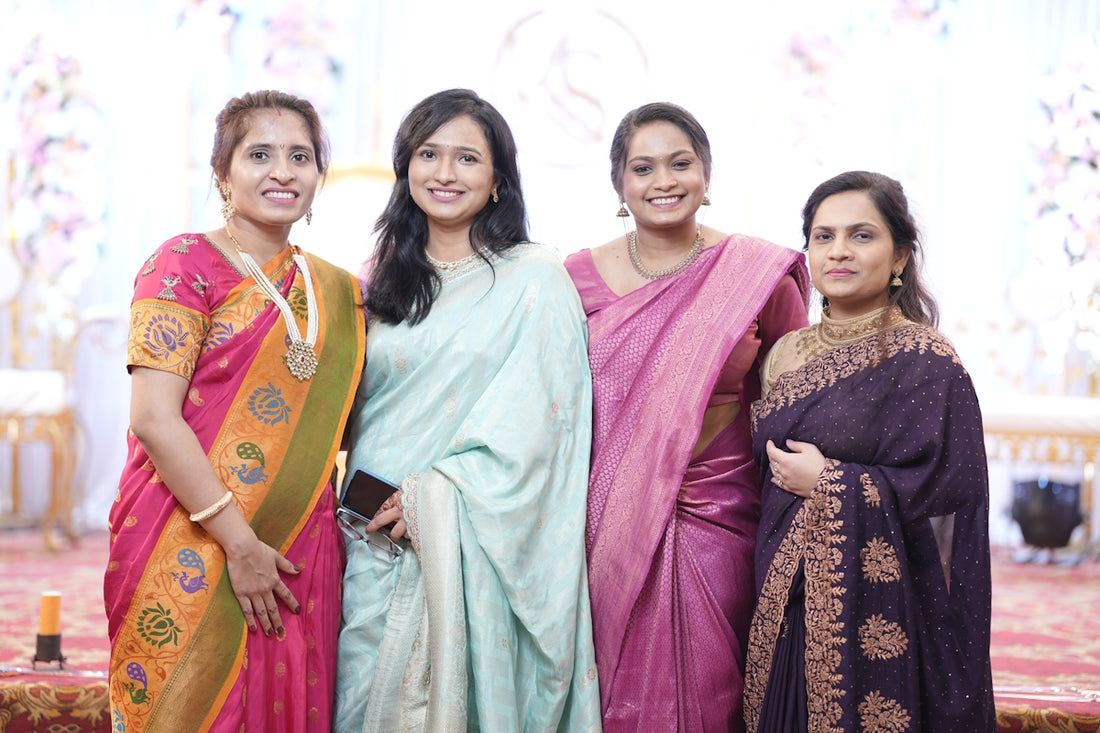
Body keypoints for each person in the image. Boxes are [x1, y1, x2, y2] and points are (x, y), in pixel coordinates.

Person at [333, 88, 602, 732]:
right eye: (428, 155)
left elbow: (542, 425)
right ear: (406, 171)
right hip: (372, 539)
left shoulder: (533, 279)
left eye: (467, 159)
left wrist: (434, 500)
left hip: (472, 534)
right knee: (362, 697)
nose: (445, 174)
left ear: (498, 181)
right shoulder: (376, 281)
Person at [104, 90, 365, 732]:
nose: (283, 171)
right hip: (184, 532)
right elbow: (154, 419)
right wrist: (238, 542)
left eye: (300, 156)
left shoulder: (343, 292)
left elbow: (354, 428)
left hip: (297, 541)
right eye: (260, 155)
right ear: (223, 174)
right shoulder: (182, 264)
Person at [563, 102, 810, 731]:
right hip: (608, 512)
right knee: (610, 680)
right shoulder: (574, 279)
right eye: (643, 168)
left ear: (706, 174)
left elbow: (796, 399)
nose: (663, 181)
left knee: (714, 680)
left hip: (724, 509)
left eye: (681, 164)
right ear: (620, 185)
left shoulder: (754, 274)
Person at [743, 171, 995, 732]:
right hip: (782, 595)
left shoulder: (927, 361)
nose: (838, 251)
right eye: (822, 236)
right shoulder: (784, 354)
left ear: (900, 255)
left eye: (862, 235)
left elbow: (952, 496)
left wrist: (832, 482)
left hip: (881, 607)